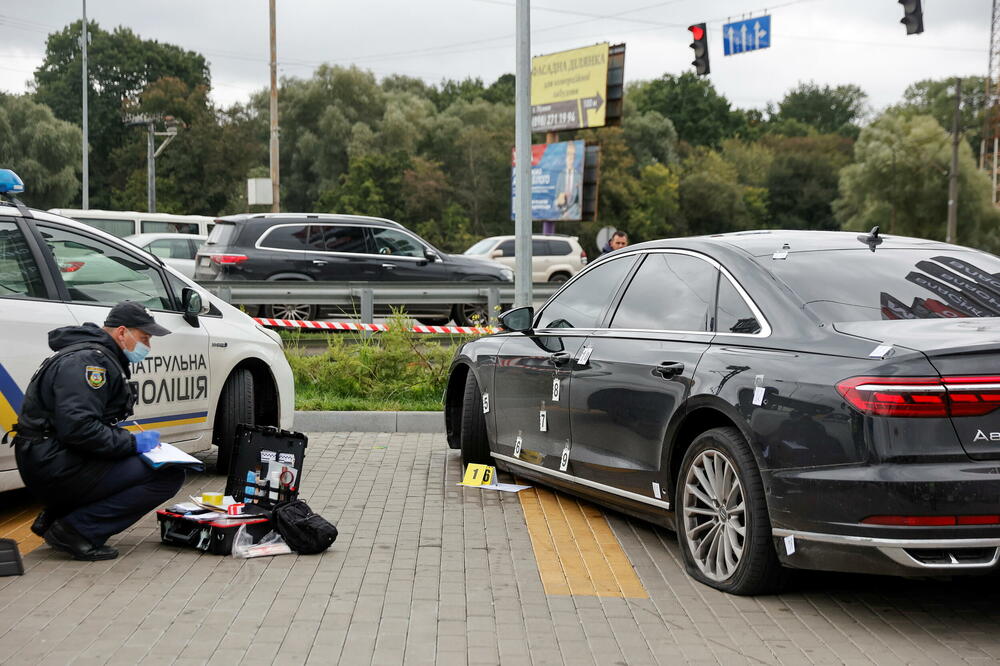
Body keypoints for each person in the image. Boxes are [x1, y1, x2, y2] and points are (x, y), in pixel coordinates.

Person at [12, 301, 181, 561]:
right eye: (144, 337)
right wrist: (132, 443)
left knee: (136, 461)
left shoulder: (94, 355)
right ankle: (77, 530)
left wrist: (126, 443)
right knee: (167, 474)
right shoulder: (88, 362)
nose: (148, 346)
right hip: (53, 463)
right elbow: (79, 429)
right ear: (122, 332)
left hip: (50, 457)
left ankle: (58, 517)